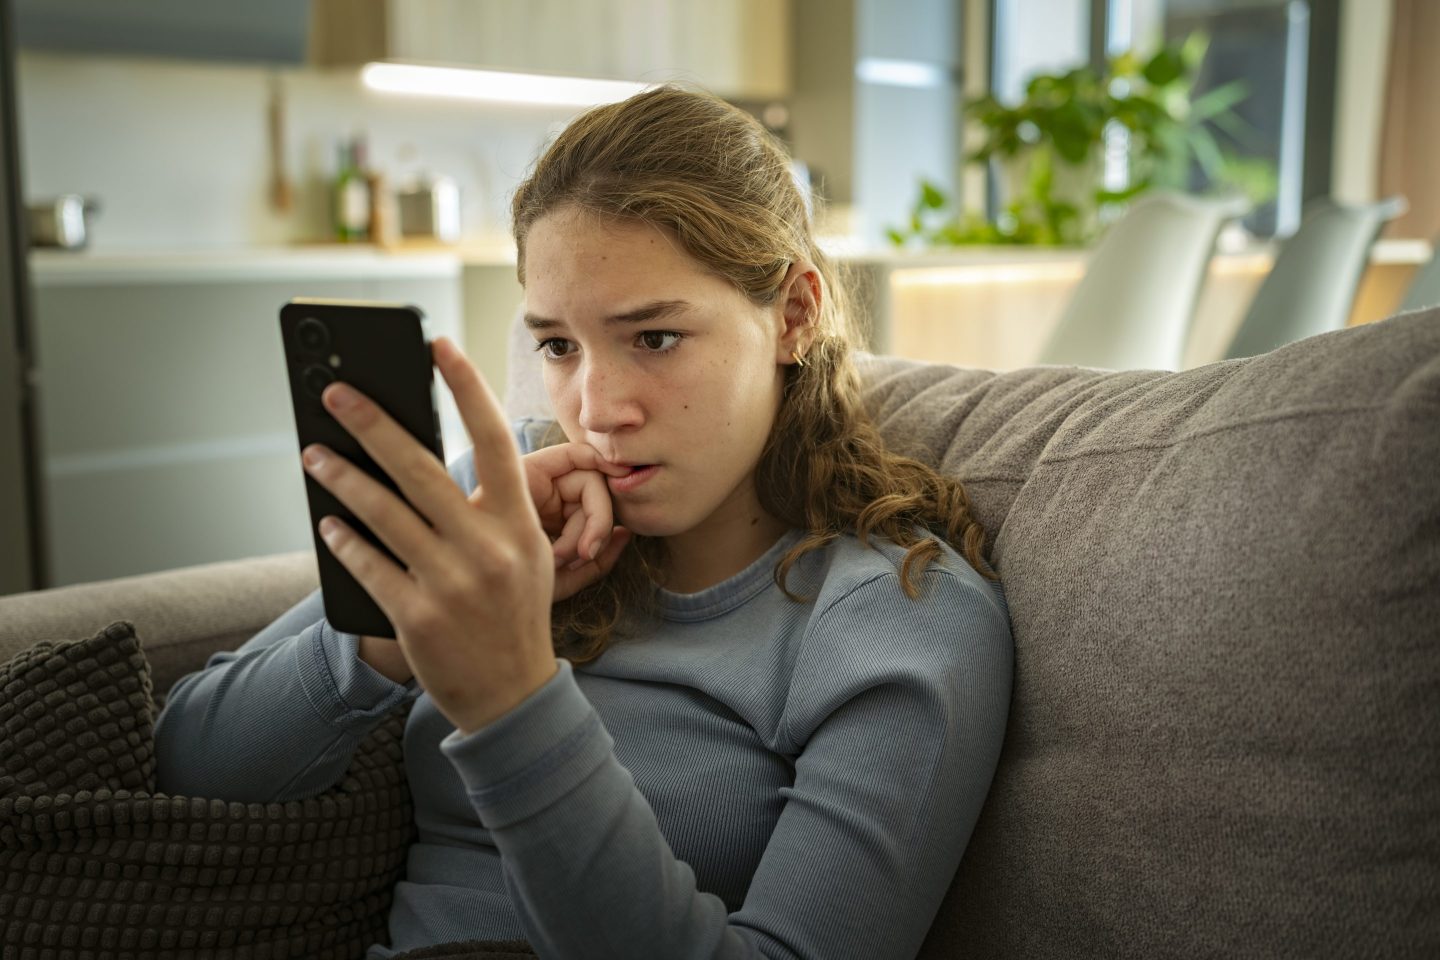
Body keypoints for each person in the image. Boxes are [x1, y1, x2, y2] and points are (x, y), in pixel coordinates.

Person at [154, 86, 1013, 959]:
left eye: (655, 338)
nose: (596, 412)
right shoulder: (509, 505)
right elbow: (189, 767)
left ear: (793, 314)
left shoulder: (897, 614)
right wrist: (395, 629)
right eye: (559, 346)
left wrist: (510, 700)